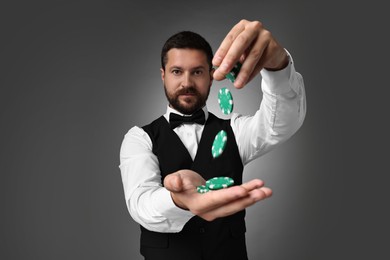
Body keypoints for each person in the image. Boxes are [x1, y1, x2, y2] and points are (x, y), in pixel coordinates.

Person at [119, 19, 306, 260]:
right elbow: (141, 204)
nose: (187, 83)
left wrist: (278, 67)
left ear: (211, 76)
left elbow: (282, 124)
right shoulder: (139, 138)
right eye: (177, 72)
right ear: (163, 75)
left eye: (197, 72)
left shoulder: (235, 130)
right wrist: (179, 200)